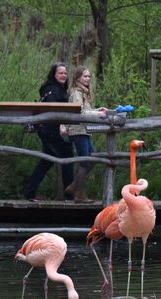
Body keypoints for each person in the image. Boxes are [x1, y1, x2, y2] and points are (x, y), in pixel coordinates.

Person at [23, 62, 74, 201]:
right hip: (51, 130)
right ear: (54, 74)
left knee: (46, 161)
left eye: (65, 73)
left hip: (50, 130)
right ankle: (69, 195)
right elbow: (53, 109)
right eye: (60, 73)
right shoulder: (51, 90)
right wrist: (62, 125)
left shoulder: (59, 89)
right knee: (68, 159)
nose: (63, 75)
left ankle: (29, 191)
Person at [66, 65, 107, 203]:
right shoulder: (76, 93)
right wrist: (97, 114)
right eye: (85, 76)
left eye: (89, 76)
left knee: (91, 158)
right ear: (77, 77)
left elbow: (85, 110)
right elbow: (80, 112)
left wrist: (97, 110)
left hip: (84, 130)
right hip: (78, 130)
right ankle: (80, 194)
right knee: (85, 161)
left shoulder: (83, 92)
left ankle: (74, 186)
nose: (87, 78)